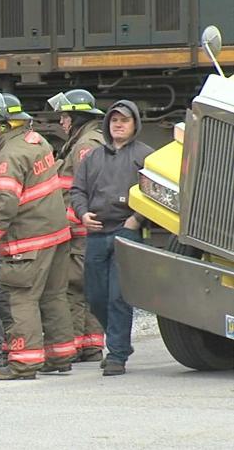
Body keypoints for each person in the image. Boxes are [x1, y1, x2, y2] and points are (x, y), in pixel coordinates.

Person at [0, 92, 75, 380]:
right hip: (56, 234)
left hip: (28, 241)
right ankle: (60, 355)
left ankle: (24, 362)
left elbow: (6, 202)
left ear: (7, 125)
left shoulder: (9, 155)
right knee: (54, 296)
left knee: (20, 298)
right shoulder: (37, 141)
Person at [71, 100, 153, 376]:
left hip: (126, 232)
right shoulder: (93, 157)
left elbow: (155, 192)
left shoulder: (145, 156)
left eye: (124, 120)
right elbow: (77, 190)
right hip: (96, 233)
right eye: (114, 120)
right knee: (96, 297)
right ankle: (120, 344)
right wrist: (82, 213)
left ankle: (117, 354)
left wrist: (136, 219)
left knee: (118, 297)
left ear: (135, 124)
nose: (118, 124)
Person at [49, 89, 107, 364]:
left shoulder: (86, 144)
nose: (61, 122)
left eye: (65, 117)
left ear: (77, 117)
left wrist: (72, 219)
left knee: (73, 287)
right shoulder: (88, 140)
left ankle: (75, 345)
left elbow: (90, 187)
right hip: (83, 228)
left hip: (79, 231)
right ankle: (90, 346)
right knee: (86, 286)